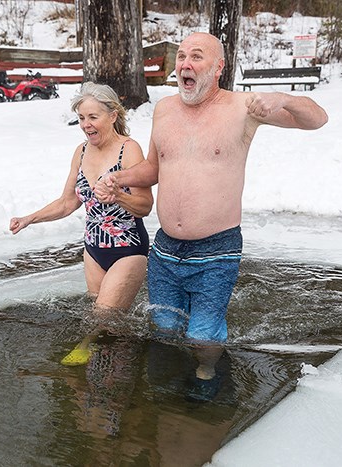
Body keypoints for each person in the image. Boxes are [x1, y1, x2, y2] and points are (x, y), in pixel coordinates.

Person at [94, 32, 328, 401]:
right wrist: (117, 178)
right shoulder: (165, 110)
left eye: (197, 57)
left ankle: (206, 374)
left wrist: (283, 98)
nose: (185, 64)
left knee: (203, 332)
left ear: (218, 67)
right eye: (182, 56)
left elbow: (317, 119)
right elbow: (155, 167)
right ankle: (171, 373)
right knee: (164, 325)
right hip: (166, 247)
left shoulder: (242, 108)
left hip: (216, 249)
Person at [9, 82, 153, 366]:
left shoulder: (129, 150)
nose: (86, 125)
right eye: (82, 118)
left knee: (102, 318)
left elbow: (145, 205)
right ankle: (117, 364)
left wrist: (117, 197)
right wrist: (30, 219)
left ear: (113, 115)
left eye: (93, 117)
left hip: (128, 249)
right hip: (93, 250)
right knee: (106, 318)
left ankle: (90, 350)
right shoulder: (81, 152)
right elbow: (68, 202)